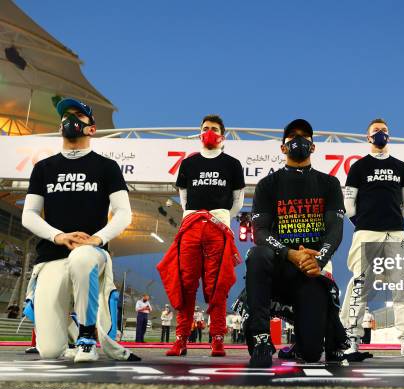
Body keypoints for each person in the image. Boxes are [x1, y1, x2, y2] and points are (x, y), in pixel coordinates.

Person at [21, 98, 138, 362]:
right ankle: (72, 334)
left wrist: (98, 239)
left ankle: (87, 337)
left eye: (77, 116)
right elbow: (29, 215)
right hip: (51, 256)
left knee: (82, 256)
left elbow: (123, 213)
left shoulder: (106, 167)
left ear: (91, 128)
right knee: (50, 351)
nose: (69, 120)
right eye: (65, 116)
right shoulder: (43, 168)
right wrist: (59, 236)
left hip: (91, 253)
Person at [245, 119, 346, 368]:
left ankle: (303, 338)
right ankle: (261, 338)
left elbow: (335, 229)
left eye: (304, 137)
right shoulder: (267, 185)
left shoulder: (329, 184)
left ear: (313, 147)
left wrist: (318, 259)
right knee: (257, 254)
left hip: (310, 272)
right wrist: (289, 253)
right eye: (292, 137)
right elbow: (259, 231)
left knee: (311, 354)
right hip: (277, 269)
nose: (298, 141)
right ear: (282, 148)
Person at [158, 114, 243, 357]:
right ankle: (181, 339)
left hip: (218, 228)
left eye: (214, 129)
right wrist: (193, 216)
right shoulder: (189, 163)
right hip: (191, 227)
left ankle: (217, 339)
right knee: (185, 284)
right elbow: (184, 199)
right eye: (205, 128)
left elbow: (237, 202)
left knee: (218, 285)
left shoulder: (232, 164)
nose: (209, 132)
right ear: (199, 133)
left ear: (222, 135)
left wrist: (220, 218)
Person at [339, 118, 404, 357]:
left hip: (396, 234)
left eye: (384, 131)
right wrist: (363, 224)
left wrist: (396, 223)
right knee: (360, 284)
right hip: (366, 233)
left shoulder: (401, 167)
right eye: (376, 131)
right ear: (368, 137)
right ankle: (352, 338)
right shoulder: (358, 167)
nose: (380, 134)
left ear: (390, 136)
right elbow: (349, 203)